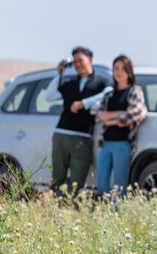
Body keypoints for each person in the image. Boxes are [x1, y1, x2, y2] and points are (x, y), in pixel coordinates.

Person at [45, 46, 111, 197]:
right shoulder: (70, 83)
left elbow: (107, 94)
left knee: (77, 180)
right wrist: (59, 74)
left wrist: (83, 103)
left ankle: (69, 207)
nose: (78, 65)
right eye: (75, 62)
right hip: (61, 134)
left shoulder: (101, 81)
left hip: (83, 137)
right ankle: (57, 208)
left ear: (90, 60)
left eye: (81, 60)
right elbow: (49, 96)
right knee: (57, 177)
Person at [95, 55, 147, 197]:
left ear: (129, 71)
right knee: (102, 184)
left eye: (123, 69)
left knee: (120, 185)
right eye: (116, 68)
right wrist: (119, 115)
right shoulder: (109, 93)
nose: (119, 72)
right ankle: (105, 211)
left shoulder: (134, 91)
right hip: (105, 143)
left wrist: (112, 118)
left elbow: (137, 113)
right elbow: (99, 115)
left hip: (122, 143)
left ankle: (119, 212)